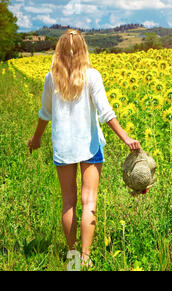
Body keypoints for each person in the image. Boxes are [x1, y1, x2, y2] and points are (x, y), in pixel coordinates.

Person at [27, 29, 141, 268]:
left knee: (68, 201)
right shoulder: (92, 76)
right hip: (90, 146)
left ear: (58, 51)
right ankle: (86, 258)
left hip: (63, 148)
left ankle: (72, 256)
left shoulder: (52, 78)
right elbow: (106, 113)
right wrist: (126, 137)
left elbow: (44, 114)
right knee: (89, 202)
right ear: (83, 50)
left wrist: (36, 138)